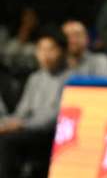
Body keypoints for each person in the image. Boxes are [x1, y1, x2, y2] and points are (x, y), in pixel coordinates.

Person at [0, 26, 70, 178]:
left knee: (6, 142)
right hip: (27, 130)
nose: (45, 55)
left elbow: (56, 116)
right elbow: (22, 111)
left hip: (52, 133)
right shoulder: (35, 78)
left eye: (51, 49)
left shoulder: (71, 78)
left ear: (63, 51)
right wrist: (6, 124)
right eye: (41, 49)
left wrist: (22, 124)